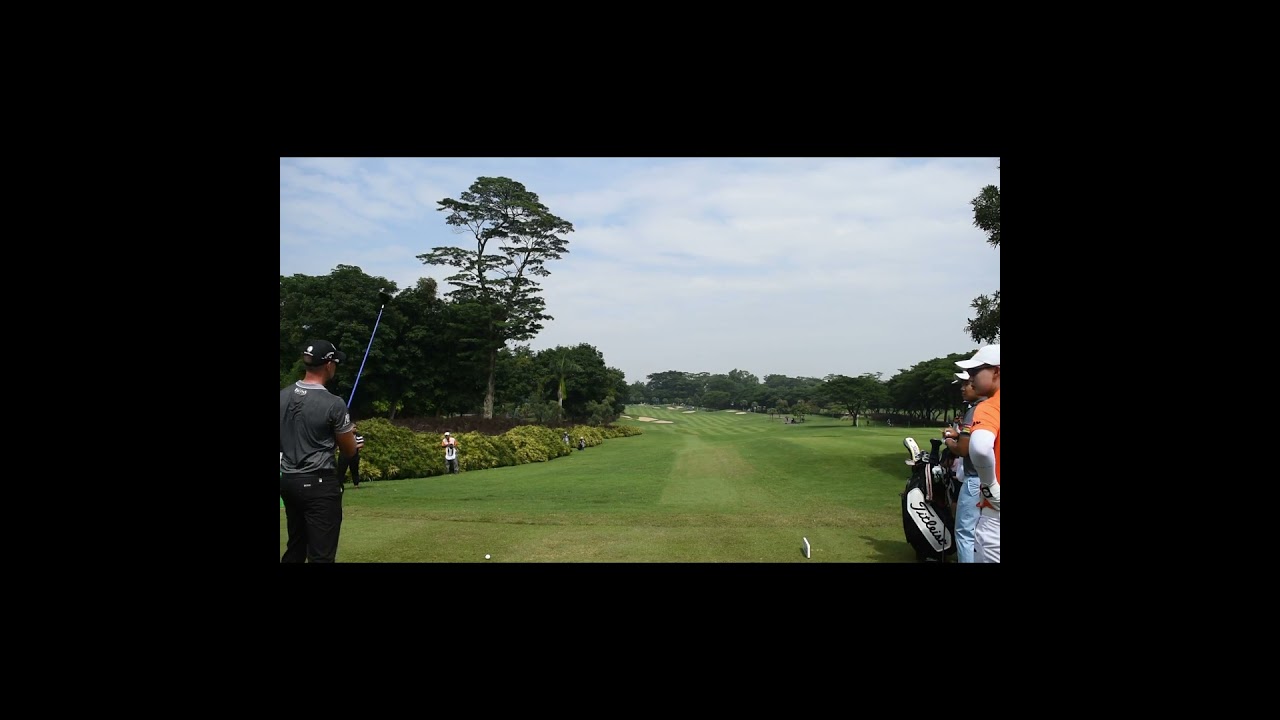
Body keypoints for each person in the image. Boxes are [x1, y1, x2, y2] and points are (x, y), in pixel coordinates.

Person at [280, 339, 358, 563]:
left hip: (289, 482)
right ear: (328, 365)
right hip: (319, 484)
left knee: (295, 548)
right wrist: (350, 437)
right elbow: (349, 451)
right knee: (321, 555)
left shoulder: (282, 396)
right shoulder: (334, 403)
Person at [955, 344, 1000, 563]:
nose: (970, 379)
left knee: (965, 533)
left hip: (996, 514)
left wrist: (991, 487)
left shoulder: (989, 406)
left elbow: (980, 448)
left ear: (996, 372)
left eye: (975, 372)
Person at [943, 370, 987, 564]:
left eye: (967, 383)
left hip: (974, 479)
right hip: (989, 479)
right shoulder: (990, 407)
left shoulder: (976, 409)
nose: (963, 388)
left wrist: (949, 442)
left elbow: (962, 449)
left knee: (964, 533)